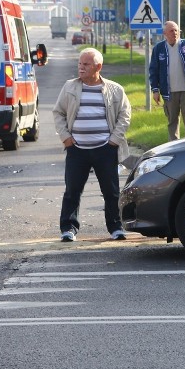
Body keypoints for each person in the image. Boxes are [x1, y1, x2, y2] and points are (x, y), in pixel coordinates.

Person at [54, 48, 132, 242]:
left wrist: (114, 140)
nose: (81, 67)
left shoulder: (114, 89)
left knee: (111, 191)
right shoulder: (69, 87)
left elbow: (125, 114)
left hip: (105, 149)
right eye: (80, 63)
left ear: (98, 67)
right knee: (72, 190)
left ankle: (116, 227)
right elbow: (58, 113)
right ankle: (68, 228)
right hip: (77, 149)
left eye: (86, 64)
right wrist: (66, 139)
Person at [149, 21, 185, 141]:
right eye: (171, 31)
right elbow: (153, 70)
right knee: (172, 122)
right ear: (165, 33)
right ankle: (173, 146)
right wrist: (155, 90)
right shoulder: (159, 48)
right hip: (169, 92)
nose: (174, 33)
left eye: (176, 30)